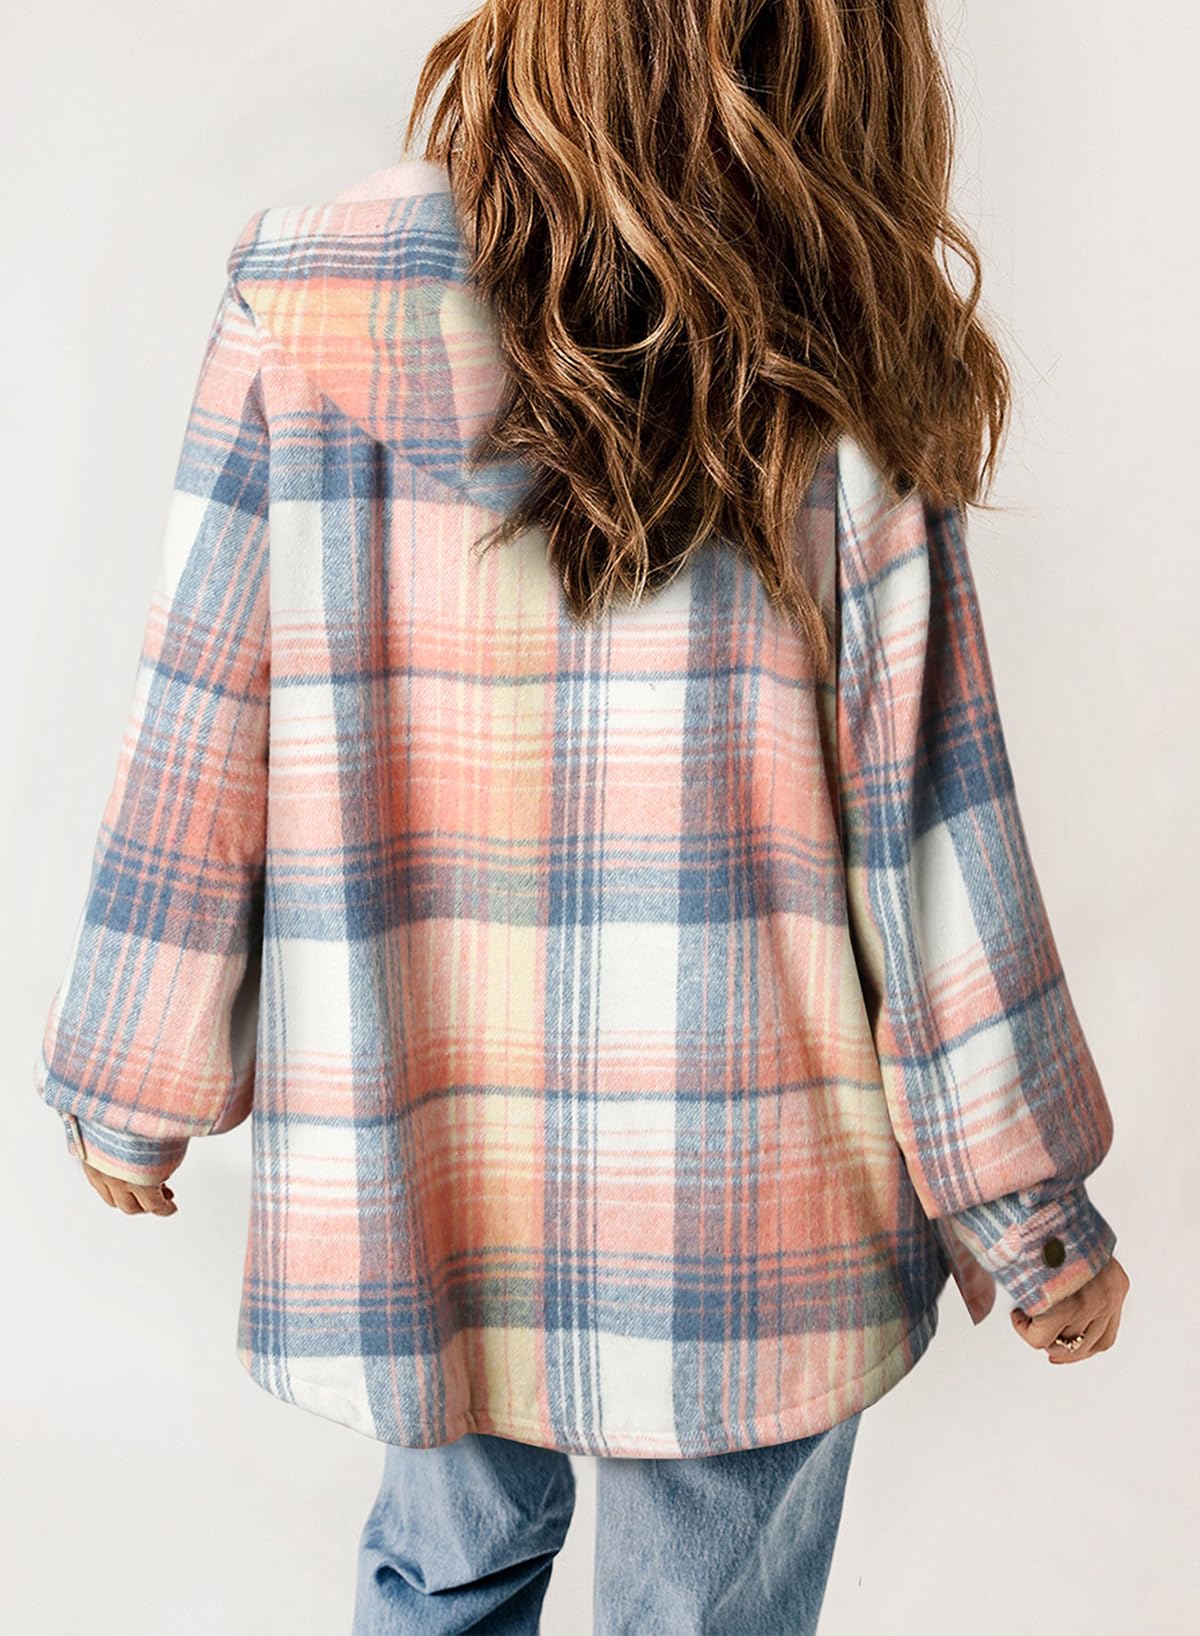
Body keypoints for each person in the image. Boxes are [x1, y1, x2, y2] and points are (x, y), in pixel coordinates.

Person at [34, 2, 1129, 1631]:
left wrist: (135, 1075)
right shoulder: (837, 338)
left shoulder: (311, 295)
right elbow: (928, 842)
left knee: (444, 1577)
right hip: (744, 1197)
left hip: (426, 1164)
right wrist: (1030, 1218)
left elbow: (205, 716)